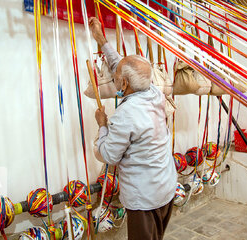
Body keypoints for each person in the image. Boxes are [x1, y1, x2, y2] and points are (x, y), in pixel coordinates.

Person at [89, 17, 177, 240]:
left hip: (145, 199)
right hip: (166, 187)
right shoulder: (154, 91)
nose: (114, 78)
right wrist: (100, 39)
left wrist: (102, 125)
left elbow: (108, 154)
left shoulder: (126, 115)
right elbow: (121, 64)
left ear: (124, 84)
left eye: (116, 77)